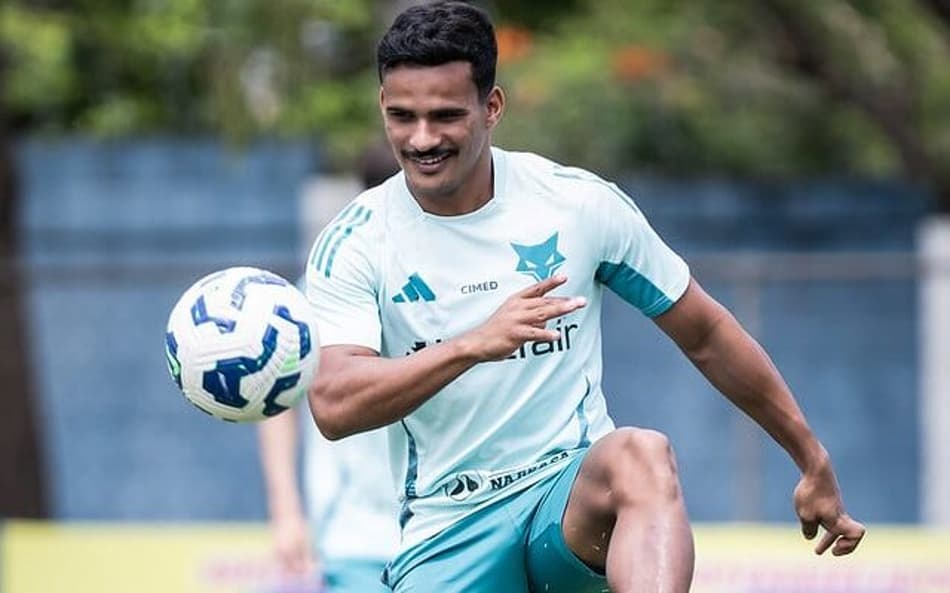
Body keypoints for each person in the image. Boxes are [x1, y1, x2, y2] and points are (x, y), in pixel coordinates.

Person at [305, 2, 866, 592]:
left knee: (640, 456)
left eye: (445, 115)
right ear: (383, 109)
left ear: (491, 107)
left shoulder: (577, 206)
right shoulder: (357, 240)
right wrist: (471, 345)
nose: (422, 139)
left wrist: (810, 455)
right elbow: (335, 406)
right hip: (449, 529)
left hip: (565, 501)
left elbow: (706, 333)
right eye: (402, 117)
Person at [258, 141, 402, 593]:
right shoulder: (322, 287)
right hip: (356, 535)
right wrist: (286, 511)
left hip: (450, 530)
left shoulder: (466, 279)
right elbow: (278, 400)